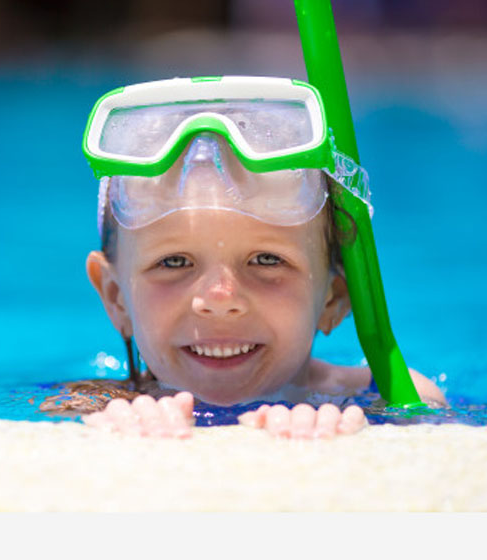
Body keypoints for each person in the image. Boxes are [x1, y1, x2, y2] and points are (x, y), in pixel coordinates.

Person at [44, 76, 446, 439]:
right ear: (115, 297)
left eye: (267, 260)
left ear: (334, 297)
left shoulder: (382, 393)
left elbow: (434, 435)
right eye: (174, 262)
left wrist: (350, 433)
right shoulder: (95, 403)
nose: (220, 299)